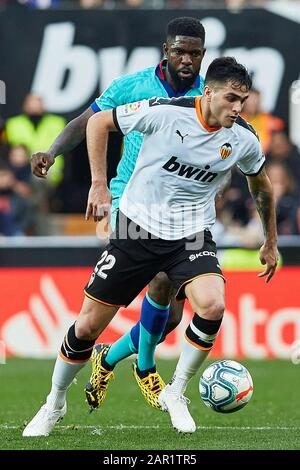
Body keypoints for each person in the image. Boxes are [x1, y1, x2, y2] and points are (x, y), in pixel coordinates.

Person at [23, 57, 278, 437]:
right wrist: (99, 184)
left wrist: (269, 239)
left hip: (191, 235)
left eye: (243, 100)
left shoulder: (242, 137)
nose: (238, 108)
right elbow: (97, 122)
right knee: (88, 326)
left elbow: (261, 185)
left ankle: (176, 391)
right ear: (208, 93)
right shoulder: (165, 112)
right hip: (137, 230)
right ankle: (54, 402)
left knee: (212, 304)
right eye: (231, 98)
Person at [30, 17, 206, 411]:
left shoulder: (207, 95)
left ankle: (107, 358)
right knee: (160, 279)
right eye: (180, 50)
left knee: (171, 317)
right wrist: (54, 153)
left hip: (177, 209)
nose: (187, 59)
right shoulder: (133, 85)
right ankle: (144, 368)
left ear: (203, 56)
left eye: (195, 53)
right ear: (166, 51)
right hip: (130, 199)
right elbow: (87, 121)